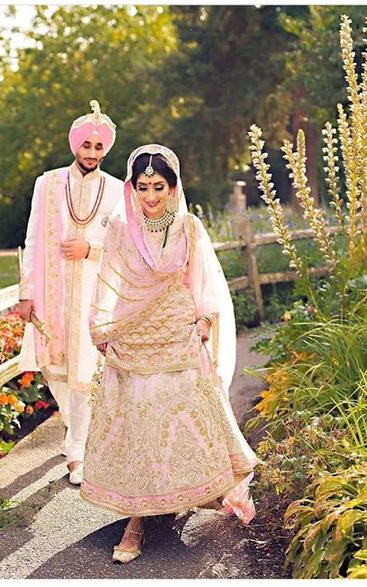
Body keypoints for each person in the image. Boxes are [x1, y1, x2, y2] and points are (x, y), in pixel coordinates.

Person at [80, 145, 260, 563]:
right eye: (142, 187)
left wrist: (203, 321)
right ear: (133, 187)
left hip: (178, 333)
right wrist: (101, 326)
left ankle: (183, 494)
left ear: (173, 186)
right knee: (138, 421)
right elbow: (108, 280)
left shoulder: (189, 227)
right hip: (134, 334)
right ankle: (135, 521)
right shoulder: (122, 228)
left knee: (178, 417)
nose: (150, 196)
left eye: (158, 186)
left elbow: (205, 281)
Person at [17, 100, 124, 484]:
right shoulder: (46, 184)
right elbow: (31, 238)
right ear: (74, 145)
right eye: (86, 146)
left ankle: (77, 449)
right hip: (52, 289)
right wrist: (26, 292)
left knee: (84, 369)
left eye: (99, 148)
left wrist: (89, 249)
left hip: (94, 291)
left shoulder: (117, 190)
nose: (92, 154)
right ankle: (73, 429)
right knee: (55, 366)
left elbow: (125, 244)